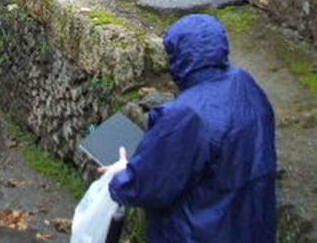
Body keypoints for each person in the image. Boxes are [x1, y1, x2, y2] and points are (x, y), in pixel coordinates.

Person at [103, 13, 276, 243]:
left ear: (179, 56)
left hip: (197, 232)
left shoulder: (187, 115)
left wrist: (121, 174)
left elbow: (150, 184)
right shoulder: (245, 85)